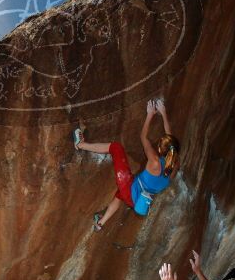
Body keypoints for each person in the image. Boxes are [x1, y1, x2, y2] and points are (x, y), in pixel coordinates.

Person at [73, 97, 180, 231]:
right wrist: (163, 113)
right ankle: (99, 224)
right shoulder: (174, 165)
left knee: (116, 148)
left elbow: (143, 137)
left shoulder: (155, 161)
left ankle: (80, 144)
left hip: (129, 188)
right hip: (136, 199)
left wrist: (150, 114)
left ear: (160, 149)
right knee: (120, 196)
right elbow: (171, 143)